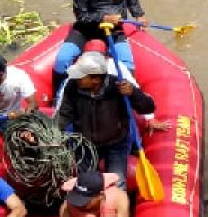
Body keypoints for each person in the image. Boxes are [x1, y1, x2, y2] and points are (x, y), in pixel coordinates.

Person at [51, 0, 149, 99]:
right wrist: (104, 18)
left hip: (114, 31)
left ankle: (130, 98)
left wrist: (139, 15)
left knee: (127, 65)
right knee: (62, 60)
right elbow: (81, 16)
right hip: (86, 30)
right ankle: (57, 97)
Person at [55, 51, 155, 190]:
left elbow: (148, 107)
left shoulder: (118, 86)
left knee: (118, 185)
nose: (76, 78)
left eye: (81, 76)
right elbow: (65, 114)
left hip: (116, 143)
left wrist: (133, 93)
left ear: (95, 79)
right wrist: (55, 135)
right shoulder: (73, 86)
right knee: (86, 187)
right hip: (86, 144)